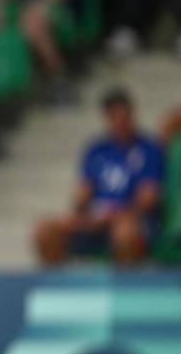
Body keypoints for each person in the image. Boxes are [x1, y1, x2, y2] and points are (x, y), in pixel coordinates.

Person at [34, 87, 164, 265]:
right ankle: (57, 286)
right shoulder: (96, 150)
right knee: (45, 231)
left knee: (124, 234)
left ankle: (126, 287)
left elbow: (148, 198)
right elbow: (83, 191)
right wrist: (83, 211)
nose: (120, 122)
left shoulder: (149, 149)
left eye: (124, 116)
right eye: (114, 117)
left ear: (132, 115)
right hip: (97, 217)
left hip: (131, 218)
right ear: (107, 119)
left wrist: (115, 216)